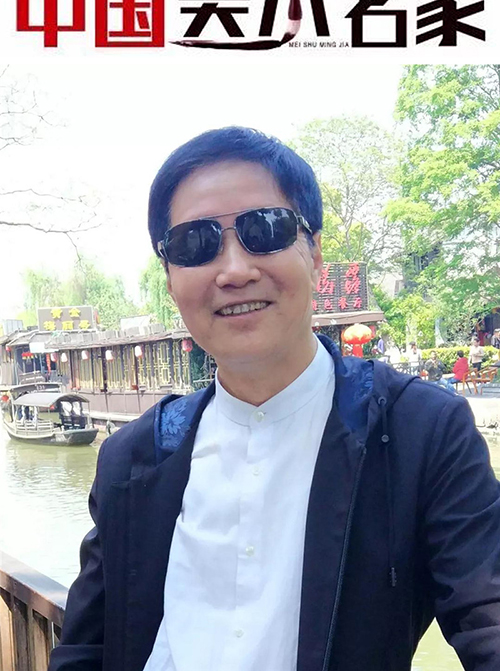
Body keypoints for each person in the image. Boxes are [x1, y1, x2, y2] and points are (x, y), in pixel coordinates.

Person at [49, 127, 500, 671]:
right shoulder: (132, 458)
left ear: (315, 253)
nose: (235, 271)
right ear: (170, 279)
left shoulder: (420, 432)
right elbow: (85, 649)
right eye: (195, 244)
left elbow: (487, 614)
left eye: (265, 230)